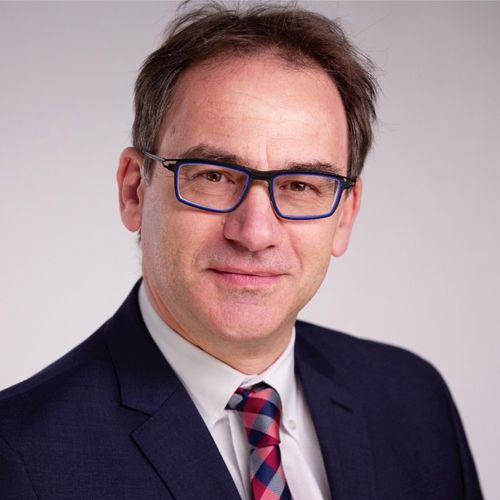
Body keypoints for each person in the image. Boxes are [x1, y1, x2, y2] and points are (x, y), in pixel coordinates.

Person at [0, 3, 483, 499]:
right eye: (213, 176)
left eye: (301, 185)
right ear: (134, 192)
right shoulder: (18, 458)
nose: (255, 232)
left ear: (345, 215)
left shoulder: (414, 403)